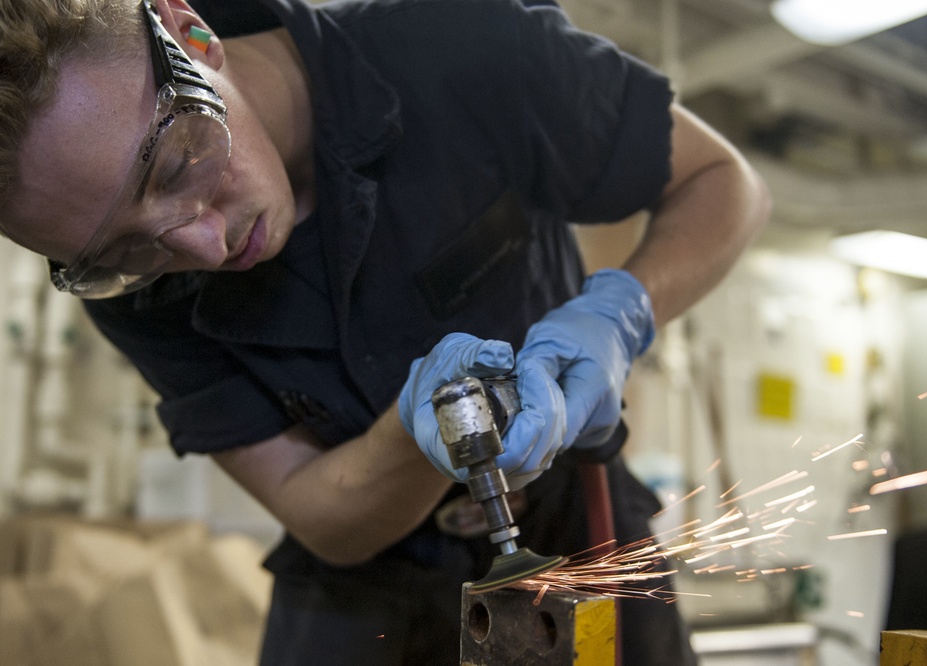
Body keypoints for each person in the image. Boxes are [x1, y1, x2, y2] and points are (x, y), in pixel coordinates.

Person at [0, 0, 770, 663]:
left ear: (192, 35)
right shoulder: (134, 292)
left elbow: (723, 181)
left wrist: (618, 313)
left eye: (174, 167)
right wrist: (410, 433)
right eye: (122, 249)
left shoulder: (460, 46)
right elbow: (320, 515)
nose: (199, 249)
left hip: (575, 516)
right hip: (362, 579)